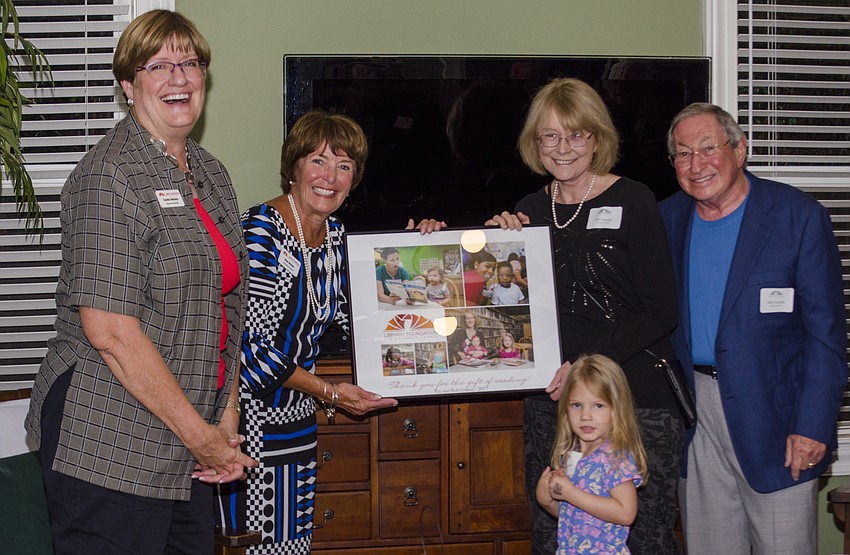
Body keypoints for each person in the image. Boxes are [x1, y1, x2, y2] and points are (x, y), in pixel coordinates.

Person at [23, 11, 256, 554]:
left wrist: (223, 419)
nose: (179, 77)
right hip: (108, 436)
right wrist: (205, 440)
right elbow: (111, 333)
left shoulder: (210, 171)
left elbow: (227, 306)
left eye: (190, 63)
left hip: (185, 434)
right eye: (158, 65)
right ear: (129, 86)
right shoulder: (109, 176)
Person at [213, 110, 444, 552]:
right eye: (318, 161)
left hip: (297, 417)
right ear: (294, 165)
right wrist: (329, 391)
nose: (330, 177)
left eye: (344, 166)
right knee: (256, 544)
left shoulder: (334, 234)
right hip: (247, 420)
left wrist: (418, 250)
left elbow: (355, 315)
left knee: (292, 541)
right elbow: (248, 347)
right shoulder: (262, 231)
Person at [488, 77, 683, 555]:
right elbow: (515, 310)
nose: (564, 147)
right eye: (550, 135)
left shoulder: (634, 199)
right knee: (554, 528)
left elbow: (663, 310)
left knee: (645, 537)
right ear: (536, 144)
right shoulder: (530, 210)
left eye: (577, 133)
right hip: (554, 400)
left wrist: (586, 369)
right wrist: (497, 246)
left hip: (634, 398)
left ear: (597, 137)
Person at [659, 103, 847, 555]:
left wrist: (813, 426)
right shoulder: (666, 220)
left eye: (708, 148)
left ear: (740, 150)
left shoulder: (797, 217)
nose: (696, 164)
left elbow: (826, 336)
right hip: (694, 419)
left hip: (778, 422)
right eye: (683, 154)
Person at [536, 354, 647, 555]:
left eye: (598, 405)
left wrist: (571, 493)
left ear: (617, 409)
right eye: (576, 405)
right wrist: (548, 501)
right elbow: (574, 516)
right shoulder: (571, 455)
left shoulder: (614, 457)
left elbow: (626, 513)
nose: (585, 416)